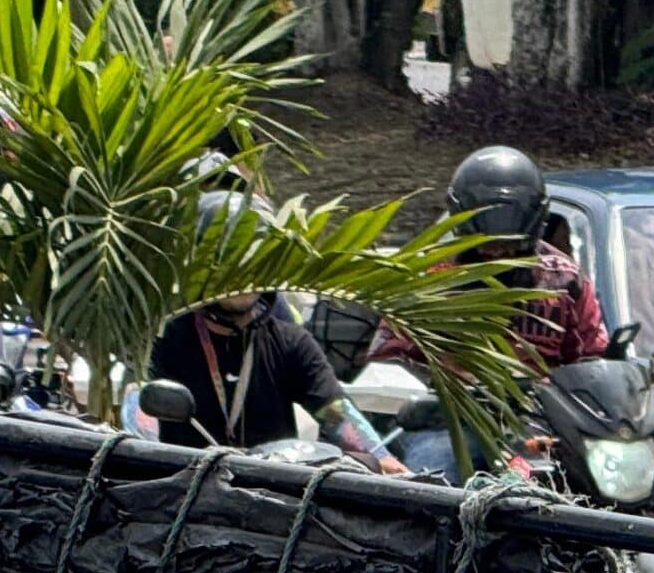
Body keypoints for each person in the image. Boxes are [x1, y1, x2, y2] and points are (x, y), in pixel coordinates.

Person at [368, 145, 607, 376]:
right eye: (486, 247)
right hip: (449, 409)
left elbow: (595, 361)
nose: (496, 257)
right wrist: (443, 372)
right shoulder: (430, 278)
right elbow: (388, 363)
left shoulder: (565, 279)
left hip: (545, 412)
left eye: (507, 248)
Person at [146, 284, 408, 471]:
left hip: (272, 500)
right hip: (186, 494)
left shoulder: (292, 341)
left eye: (254, 262)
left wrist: (380, 457)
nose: (242, 277)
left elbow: (335, 412)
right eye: (229, 262)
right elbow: (142, 411)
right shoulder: (167, 339)